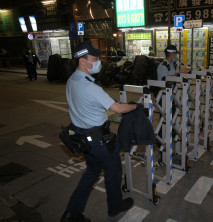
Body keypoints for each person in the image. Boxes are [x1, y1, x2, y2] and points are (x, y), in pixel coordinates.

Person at [61, 41, 136, 222]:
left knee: (92, 172)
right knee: (113, 172)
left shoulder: (72, 80)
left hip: (82, 137)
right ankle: (115, 207)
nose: (99, 61)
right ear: (83, 61)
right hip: (99, 141)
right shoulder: (90, 87)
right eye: (94, 58)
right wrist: (135, 105)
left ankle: (72, 213)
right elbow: (117, 108)